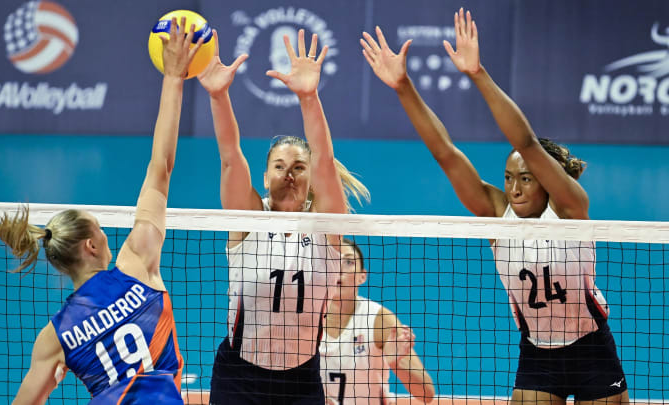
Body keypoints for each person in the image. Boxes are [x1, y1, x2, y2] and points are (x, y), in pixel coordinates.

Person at [361, 8, 629, 405]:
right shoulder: (495, 215)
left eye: (526, 178)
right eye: (508, 178)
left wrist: (477, 74)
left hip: (592, 349)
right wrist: (403, 87)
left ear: (548, 179)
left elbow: (527, 143)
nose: (514, 188)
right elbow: (446, 153)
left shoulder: (571, 208)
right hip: (537, 353)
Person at [0, 17, 202, 404]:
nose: (107, 234)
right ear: (91, 245)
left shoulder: (53, 337)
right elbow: (161, 168)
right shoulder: (137, 264)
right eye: (101, 229)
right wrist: (174, 78)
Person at [198, 29, 369, 404]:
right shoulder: (248, 219)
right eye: (279, 165)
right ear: (265, 176)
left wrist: (309, 98)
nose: (288, 173)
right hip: (239, 377)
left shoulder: (327, 225)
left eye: (298, 166)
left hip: (301, 380)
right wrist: (217, 95)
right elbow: (230, 157)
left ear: (310, 179)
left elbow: (324, 159)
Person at [320, 238, 435, 405]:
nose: (339, 269)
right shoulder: (303, 318)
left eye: (348, 262)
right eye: (333, 260)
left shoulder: (379, 320)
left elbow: (427, 394)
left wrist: (396, 363)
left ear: (362, 277)